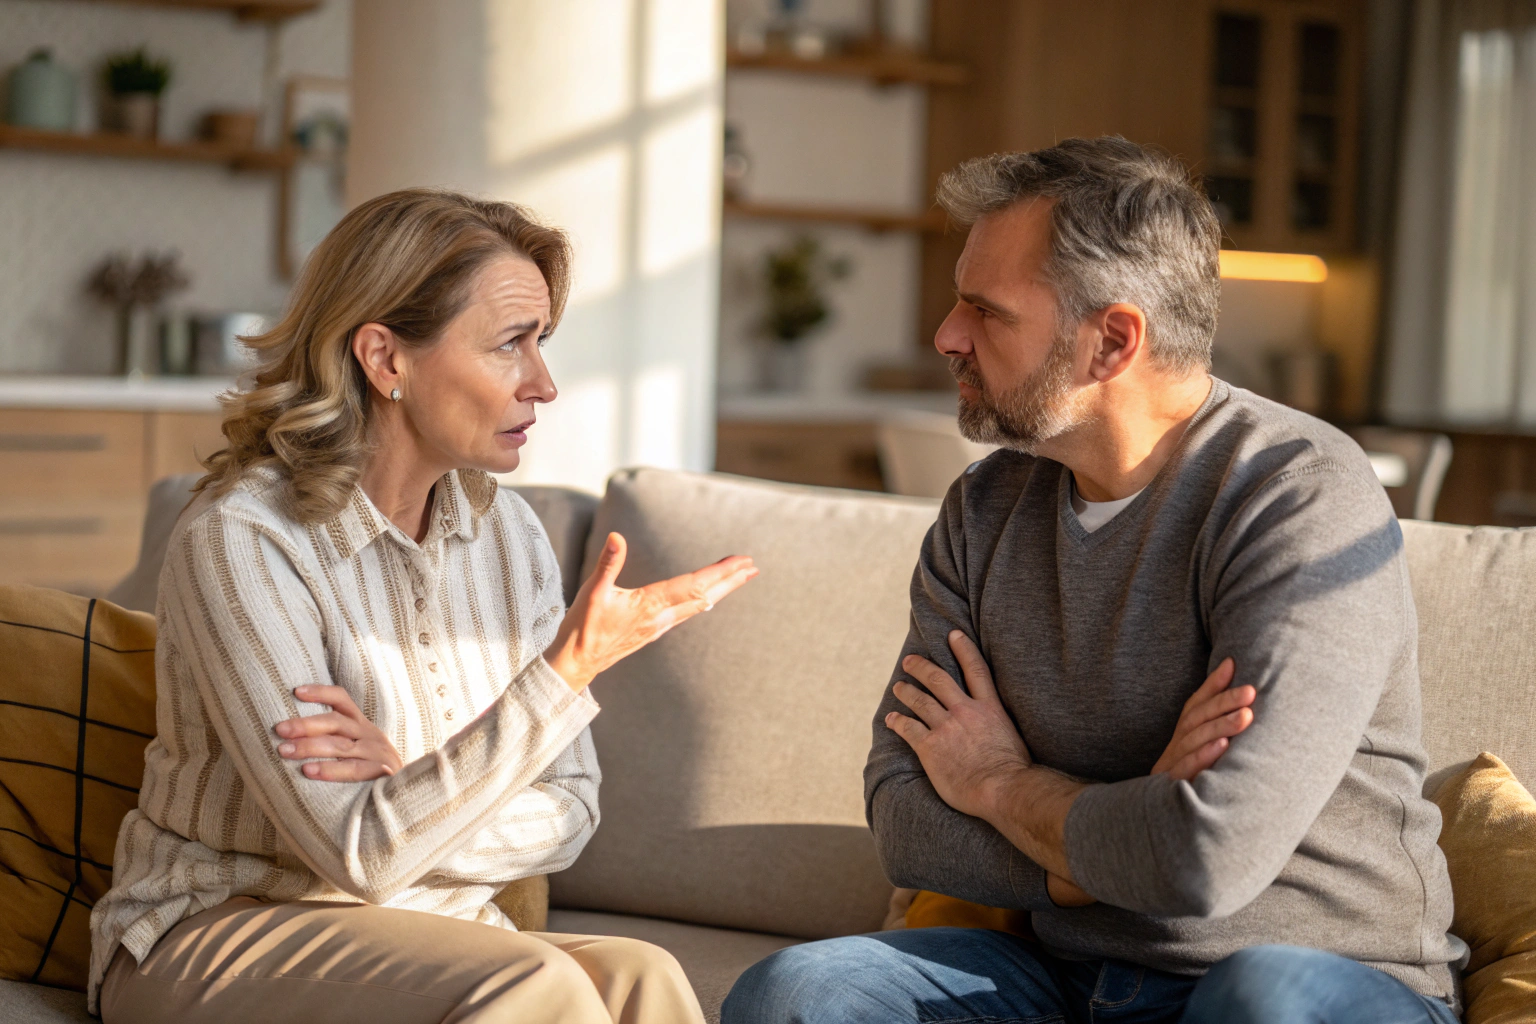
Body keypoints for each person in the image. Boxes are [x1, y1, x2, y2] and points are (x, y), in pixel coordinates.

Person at [722, 137, 1463, 1024]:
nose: (945, 336)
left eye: (983, 311)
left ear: (1111, 340)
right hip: (1068, 976)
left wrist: (1001, 783)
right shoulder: (984, 507)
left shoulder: (1298, 496)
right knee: (800, 992)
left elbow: (1204, 861)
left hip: (1326, 980)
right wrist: (1135, 820)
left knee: (1260, 1000)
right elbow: (905, 816)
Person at [89, 188, 757, 1024]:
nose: (543, 384)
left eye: (540, 342)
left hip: (426, 928)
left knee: (642, 975)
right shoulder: (245, 539)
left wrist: (402, 774)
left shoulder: (507, 533)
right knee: (533, 986)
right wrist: (566, 671)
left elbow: (573, 814)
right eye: (511, 344)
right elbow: (357, 853)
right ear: (385, 358)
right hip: (216, 931)